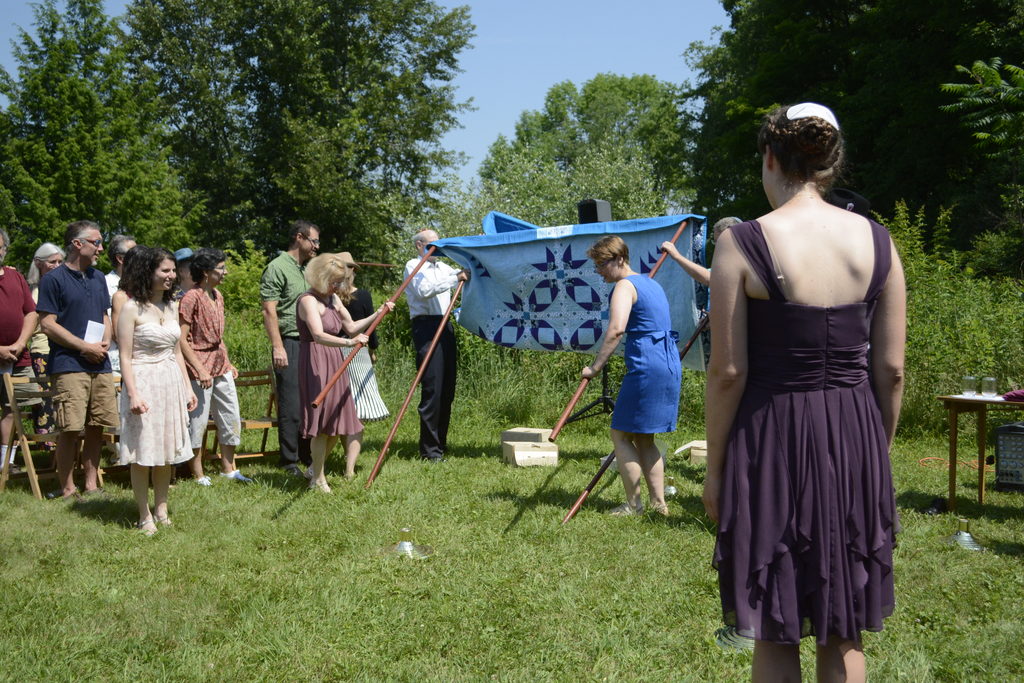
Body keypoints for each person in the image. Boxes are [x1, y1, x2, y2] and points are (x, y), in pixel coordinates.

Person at [703, 103, 905, 682]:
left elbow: (727, 373)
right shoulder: (880, 243)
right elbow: (890, 370)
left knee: (775, 621)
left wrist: (715, 468)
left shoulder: (741, 242)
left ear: (771, 158)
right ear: (831, 163)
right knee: (842, 625)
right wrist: (875, 450)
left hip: (770, 439)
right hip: (854, 433)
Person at [580, 235, 681, 516]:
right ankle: (659, 505)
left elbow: (616, 330)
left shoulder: (625, 286)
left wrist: (595, 367)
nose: (599, 270)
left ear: (619, 258)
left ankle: (634, 505)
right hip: (667, 363)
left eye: (602, 263)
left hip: (647, 366)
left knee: (620, 434)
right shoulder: (651, 283)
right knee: (644, 438)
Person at [296, 252, 393, 492]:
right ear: (320, 277)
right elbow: (318, 335)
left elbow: (351, 328)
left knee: (335, 421)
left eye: (340, 281)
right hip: (316, 360)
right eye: (334, 281)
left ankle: (316, 473)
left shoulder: (333, 299)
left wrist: (379, 313)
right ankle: (318, 479)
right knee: (321, 424)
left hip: (334, 359)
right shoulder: (308, 300)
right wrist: (350, 344)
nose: (339, 286)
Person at [117, 246, 197, 535]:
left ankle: (161, 508)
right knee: (143, 451)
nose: (171, 275)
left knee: (166, 450)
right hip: (143, 381)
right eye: (165, 270)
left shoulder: (172, 306)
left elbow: (177, 353)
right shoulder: (130, 308)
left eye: (173, 270)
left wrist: (188, 388)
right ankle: (143, 514)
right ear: (147, 272)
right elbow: (125, 356)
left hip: (170, 382)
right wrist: (134, 394)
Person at [36, 221, 118, 499]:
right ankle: (67, 487)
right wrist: (84, 347)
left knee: (97, 425)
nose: (101, 248)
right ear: (77, 244)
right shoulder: (53, 279)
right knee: (70, 428)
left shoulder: (97, 278)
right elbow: (47, 324)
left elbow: (104, 315)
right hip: (69, 365)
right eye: (96, 242)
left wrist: (105, 341)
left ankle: (92, 485)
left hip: (100, 363)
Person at [178, 248, 251, 485]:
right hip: (198, 365)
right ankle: (197, 473)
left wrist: (227, 362)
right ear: (207, 272)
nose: (225, 272)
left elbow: (219, 337)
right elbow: (181, 338)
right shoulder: (191, 297)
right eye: (221, 268)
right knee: (198, 420)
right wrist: (199, 369)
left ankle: (228, 468)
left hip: (220, 364)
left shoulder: (218, 295)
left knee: (230, 415)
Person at [404, 230, 469, 463]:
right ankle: (429, 450)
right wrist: (456, 278)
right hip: (426, 327)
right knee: (432, 388)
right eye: (433, 244)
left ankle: (440, 443)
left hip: (445, 325)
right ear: (419, 245)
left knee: (447, 388)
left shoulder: (444, 268)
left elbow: (464, 272)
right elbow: (423, 291)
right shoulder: (413, 265)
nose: (438, 248)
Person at [260, 220, 320, 476]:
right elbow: (268, 310)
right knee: (291, 404)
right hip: (289, 342)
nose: (317, 246)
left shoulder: (305, 269)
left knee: (309, 401)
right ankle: (289, 460)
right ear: (299, 238)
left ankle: (309, 455)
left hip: (310, 343)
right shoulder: (277, 267)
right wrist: (278, 347)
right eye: (314, 241)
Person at [340, 259, 390, 480]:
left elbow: (370, 327)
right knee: (352, 410)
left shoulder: (329, 296)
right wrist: (373, 348)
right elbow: (372, 325)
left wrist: (371, 348)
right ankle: (349, 465)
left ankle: (348, 462)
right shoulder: (359, 296)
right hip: (349, 351)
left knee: (349, 409)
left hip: (347, 351)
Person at [0, 228, 42, 470]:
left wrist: (18, 344)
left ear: (5, 249)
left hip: (17, 357)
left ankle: (7, 463)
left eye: (0, 248)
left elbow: (31, 312)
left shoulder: (16, 278)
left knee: (12, 408)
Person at [26, 242, 65, 441]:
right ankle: (49, 445)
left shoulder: (62, 286)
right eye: (52, 262)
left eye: (60, 261)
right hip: (41, 349)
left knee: (62, 397)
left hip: (62, 348)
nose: (57, 265)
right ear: (39, 263)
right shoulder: (32, 289)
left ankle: (65, 444)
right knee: (44, 401)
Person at [660, 217, 741, 287]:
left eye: (719, 242)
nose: (716, 246)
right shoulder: (726, 263)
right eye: (715, 242)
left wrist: (677, 256)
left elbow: (711, 279)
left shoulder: (743, 261)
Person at [104, 234, 136, 372]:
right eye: (134, 253)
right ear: (120, 258)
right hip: (116, 362)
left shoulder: (144, 286)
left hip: (141, 361)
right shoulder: (104, 284)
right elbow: (113, 327)